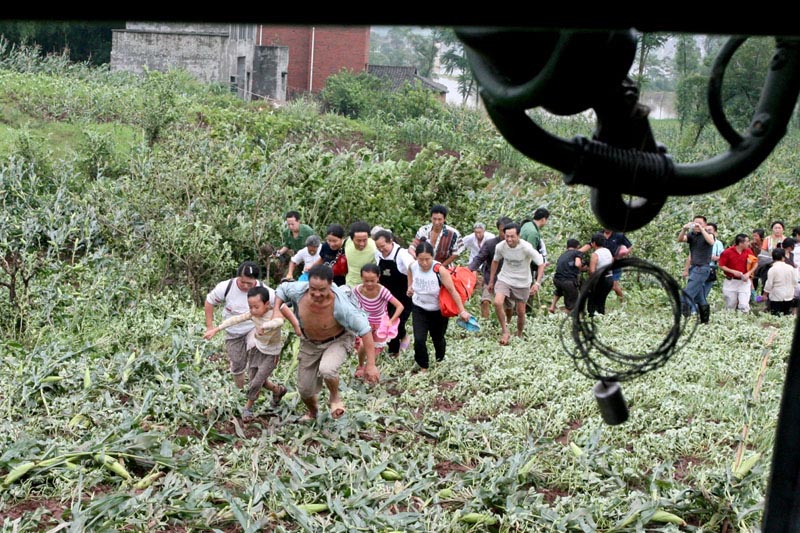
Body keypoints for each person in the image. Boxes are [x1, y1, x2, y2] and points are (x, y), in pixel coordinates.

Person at [271, 264, 379, 421]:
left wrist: (371, 365)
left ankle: (335, 397)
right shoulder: (298, 290)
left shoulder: (342, 306)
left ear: (331, 284)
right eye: (313, 288)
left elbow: (365, 331)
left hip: (337, 340)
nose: (316, 293)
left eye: (322, 290)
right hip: (309, 342)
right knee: (305, 390)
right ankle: (313, 412)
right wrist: (275, 311)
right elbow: (281, 290)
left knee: (327, 369)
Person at [204, 286, 288, 421]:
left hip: (271, 354)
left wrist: (264, 327)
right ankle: (278, 390)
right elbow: (235, 319)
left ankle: (247, 409)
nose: (252, 310)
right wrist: (216, 329)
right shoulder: (252, 314)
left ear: (266, 304)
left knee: (256, 382)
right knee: (260, 381)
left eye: (256, 306)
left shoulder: (273, 313)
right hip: (257, 350)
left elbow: (278, 322)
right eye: (250, 307)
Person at [407, 239, 472, 371]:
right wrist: (410, 286)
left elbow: (452, 291)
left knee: (438, 338)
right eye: (421, 260)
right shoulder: (413, 266)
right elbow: (409, 272)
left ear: (433, 257)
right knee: (419, 339)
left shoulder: (440, 270)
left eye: (427, 259)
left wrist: (462, 311)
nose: (424, 263)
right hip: (419, 308)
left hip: (438, 310)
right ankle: (423, 365)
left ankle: (440, 359)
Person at [204, 261, 264, 388]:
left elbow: (280, 304)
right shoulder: (226, 287)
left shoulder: (263, 290)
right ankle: (240, 390)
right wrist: (210, 327)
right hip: (233, 331)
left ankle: (255, 386)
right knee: (237, 364)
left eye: (250, 283)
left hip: (253, 328)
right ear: (237, 277)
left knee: (255, 346)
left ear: (256, 281)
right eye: (243, 282)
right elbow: (209, 302)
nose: (246, 286)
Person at [488, 222, 544, 345]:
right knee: (497, 302)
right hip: (505, 278)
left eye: (512, 236)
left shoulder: (526, 247)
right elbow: (495, 261)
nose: (509, 239)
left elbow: (541, 263)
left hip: (523, 281)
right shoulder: (500, 246)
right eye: (507, 236)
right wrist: (491, 280)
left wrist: (537, 283)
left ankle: (519, 332)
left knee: (521, 312)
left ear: (518, 235)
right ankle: (505, 331)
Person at [353, 264, 404, 377]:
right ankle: (360, 365)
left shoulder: (382, 291)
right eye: (366, 280)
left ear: (378, 277)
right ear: (361, 278)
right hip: (364, 323)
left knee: (373, 351)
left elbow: (400, 306)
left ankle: (369, 370)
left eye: (372, 280)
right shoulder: (357, 290)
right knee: (362, 346)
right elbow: (349, 303)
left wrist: (391, 321)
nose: (369, 284)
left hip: (379, 324)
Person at [373, 229, 414, 356]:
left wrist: (410, 286)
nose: (381, 250)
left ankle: (398, 347)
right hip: (388, 296)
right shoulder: (378, 254)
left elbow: (412, 267)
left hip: (404, 295)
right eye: (378, 247)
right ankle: (396, 348)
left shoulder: (401, 254)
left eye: (383, 246)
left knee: (397, 322)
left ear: (391, 241)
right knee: (387, 322)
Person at [469, 216, 513, 319]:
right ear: (498, 230)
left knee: (509, 306)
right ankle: (486, 324)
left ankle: (507, 323)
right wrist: (470, 269)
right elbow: (479, 258)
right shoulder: (490, 244)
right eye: (503, 231)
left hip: (508, 280)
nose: (505, 234)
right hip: (490, 278)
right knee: (485, 301)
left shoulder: (516, 245)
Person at [678, 216, 715, 323]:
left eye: (699, 223)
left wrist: (702, 229)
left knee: (686, 294)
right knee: (700, 297)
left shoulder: (709, 235)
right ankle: (705, 321)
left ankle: (684, 318)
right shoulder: (692, 235)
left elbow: (711, 242)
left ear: (705, 224)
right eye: (695, 223)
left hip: (702, 268)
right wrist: (684, 229)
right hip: (694, 268)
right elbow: (680, 239)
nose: (697, 225)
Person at [681, 222, 724, 302]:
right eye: (706, 229)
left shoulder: (717, 243)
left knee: (703, 293)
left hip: (709, 268)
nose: (707, 231)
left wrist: (715, 258)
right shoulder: (698, 239)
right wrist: (686, 270)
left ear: (715, 232)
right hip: (696, 268)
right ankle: (694, 310)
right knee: (697, 292)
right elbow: (691, 256)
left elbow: (723, 257)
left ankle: (689, 307)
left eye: (710, 230)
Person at [718, 233, 757, 313]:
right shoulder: (727, 252)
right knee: (730, 304)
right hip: (731, 281)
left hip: (744, 281)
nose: (748, 243)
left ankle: (744, 319)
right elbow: (721, 265)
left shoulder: (748, 251)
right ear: (741, 243)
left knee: (744, 304)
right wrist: (732, 271)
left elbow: (755, 263)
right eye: (747, 241)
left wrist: (748, 273)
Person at [549, 239, 585, 313]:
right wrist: (582, 267)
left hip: (557, 279)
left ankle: (552, 306)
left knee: (559, 290)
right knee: (571, 305)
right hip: (568, 282)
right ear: (578, 246)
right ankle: (564, 317)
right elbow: (577, 264)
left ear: (567, 246)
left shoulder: (563, 255)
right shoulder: (577, 253)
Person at [764, 248, 798, 316]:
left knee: (775, 316)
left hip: (776, 297)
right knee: (786, 315)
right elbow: (795, 282)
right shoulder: (790, 268)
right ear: (783, 257)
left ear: (773, 258)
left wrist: (765, 294)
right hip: (788, 296)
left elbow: (769, 284)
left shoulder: (772, 269)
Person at [587, 233, 614, 315]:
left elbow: (592, 271)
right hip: (609, 279)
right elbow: (612, 262)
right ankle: (601, 317)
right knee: (601, 301)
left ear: (594, 243)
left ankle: (593, 317)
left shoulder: (595, 254)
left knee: (592, 301)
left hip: (600, 280)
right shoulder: (608, 251)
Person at [345, 221, 377, 288]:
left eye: (365, 240)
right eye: (358, 240)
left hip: (366, 288)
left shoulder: (375, 248)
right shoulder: (347, 242)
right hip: (349, 285)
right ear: (352, 239)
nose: (362, 244)